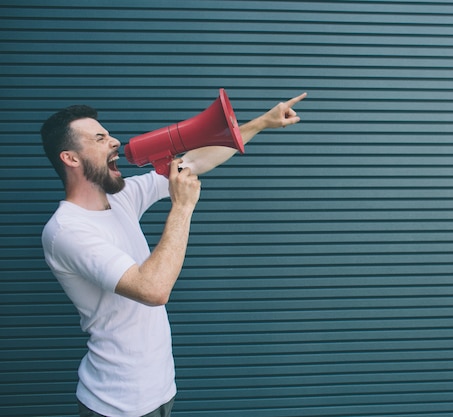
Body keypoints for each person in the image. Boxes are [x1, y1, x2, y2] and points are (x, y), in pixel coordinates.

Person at [40, 92, 307, 417]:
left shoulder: (120, 198)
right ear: (71, 158)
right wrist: (182, 207)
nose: (115, 141)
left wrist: (260, 123)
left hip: (161, 390)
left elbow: (193, 162)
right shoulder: (67, 230)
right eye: (100, 138)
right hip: (117, 404)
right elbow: (153, 289)